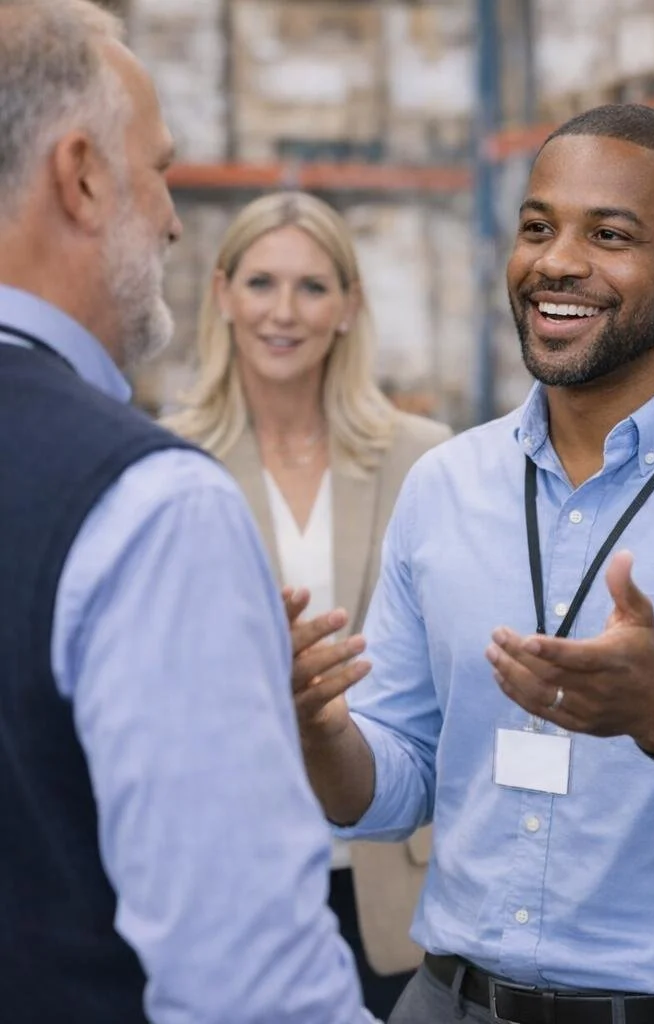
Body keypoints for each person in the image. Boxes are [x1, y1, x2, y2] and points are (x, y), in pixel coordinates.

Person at [288, 102, 654, 1024]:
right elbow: (394, 782)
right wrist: (315, 726)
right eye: (537, 227)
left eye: (609, 234)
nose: (557, 262)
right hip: (447, 999)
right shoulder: (447, 485)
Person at [0, 2, 373, 1021]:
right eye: (156, 169)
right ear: (80, 176)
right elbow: (245, 981)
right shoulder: (149, 506)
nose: (169, 214)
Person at [163, 189, 450, 1017]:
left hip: (391, 870)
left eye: (312, 287)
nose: (283, 312)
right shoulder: (170, 460)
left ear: (350, 307)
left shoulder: (422, 460)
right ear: (221, 294)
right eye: (260, 284)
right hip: (239, 865)